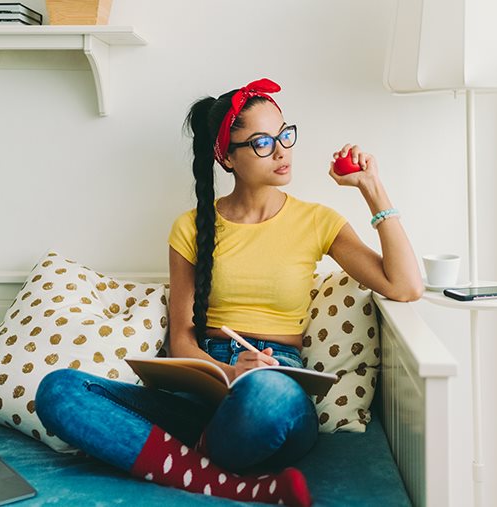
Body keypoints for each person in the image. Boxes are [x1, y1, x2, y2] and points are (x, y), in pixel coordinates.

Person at [35, 78, 422, 507]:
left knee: (266, 395)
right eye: (262, 143)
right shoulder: (190, 227)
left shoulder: (318, 221)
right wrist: (228, 373)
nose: (281, 151)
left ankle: (180, 463)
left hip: (275, 385)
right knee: (59, 390)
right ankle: (231, 484)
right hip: (203, 388)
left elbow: (405, 286)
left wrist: (372, 188)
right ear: (228, 158)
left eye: (284, 135)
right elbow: (182, 340)